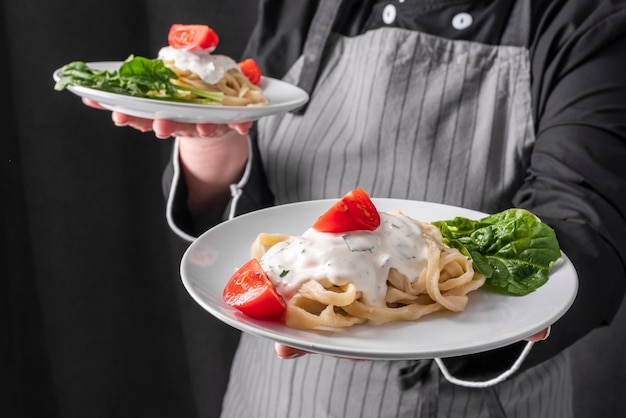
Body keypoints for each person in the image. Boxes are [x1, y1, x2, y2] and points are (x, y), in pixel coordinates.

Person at [83, 0, 626, 416]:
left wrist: (508, 305)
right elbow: (250, 216)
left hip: (470, 398)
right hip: (277, 391)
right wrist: (211, 139)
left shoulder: (585, 20)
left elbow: (583, 218)